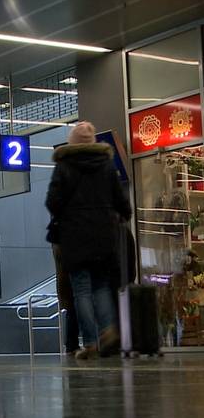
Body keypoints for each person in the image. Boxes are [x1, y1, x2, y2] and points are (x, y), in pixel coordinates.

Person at [46, 121, 131, 360]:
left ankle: (91, 342)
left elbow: (53, 200)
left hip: (75, 236)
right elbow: (120, 198)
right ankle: (108, 329)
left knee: (81, 289)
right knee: (102, 285)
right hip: (104, 234)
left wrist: (64, 215)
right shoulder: (105, 165)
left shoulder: (64, 166)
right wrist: (123, 214)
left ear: (72, 142)